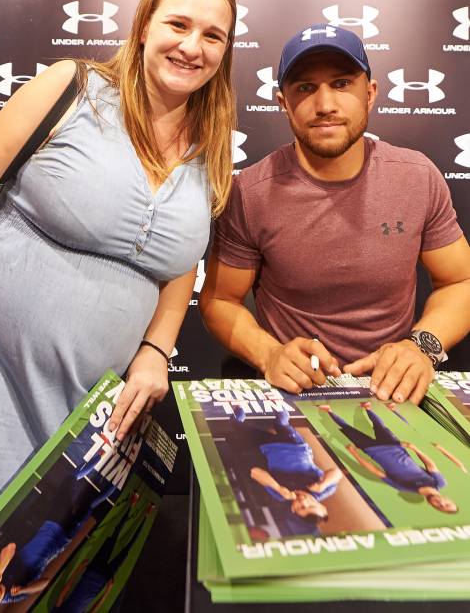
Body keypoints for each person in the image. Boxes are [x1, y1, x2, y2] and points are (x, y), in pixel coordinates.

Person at [0, 0, 237, 555]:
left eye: (213, 36)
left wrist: (156, 351)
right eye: (177, 24)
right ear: (143, 26)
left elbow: (179, 264)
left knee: (17, 573)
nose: (191, 46)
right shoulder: (70, 88)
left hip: (80, 410)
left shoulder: (211, 147)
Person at [199, 23, 470, 406]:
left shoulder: (417, 177)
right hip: (294, 395)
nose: (325, 104)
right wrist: (270, 353)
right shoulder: (250, 192)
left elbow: (461, 282)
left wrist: (420, 347)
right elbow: (219, 301)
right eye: (305, 88)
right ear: (283, 102)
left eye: (342, 84)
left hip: (396, 394)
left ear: (370, 93)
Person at [318, 401, 465, 512]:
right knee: (379, 426)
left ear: (432, 506)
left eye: (440, 507)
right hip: (396, 446)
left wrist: (354, 454)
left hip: (372, 451)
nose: (441, 503)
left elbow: (376, 472)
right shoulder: (439, 483)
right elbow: (431, 465)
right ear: (448, 498)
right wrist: (414, 448)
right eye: (447, 503)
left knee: (348, 430)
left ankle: (329, 411)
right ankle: (367, 408)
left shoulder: (405, 488)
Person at [229, 406, 342, 534]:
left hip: (268, 447)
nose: (303, 501)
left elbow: (254, 472)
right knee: (281, 422)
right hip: (295, 445)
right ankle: (279, 410)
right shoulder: (323, 491)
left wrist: (278, 488)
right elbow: (337, 473)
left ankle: (237, 420)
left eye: (301, 508)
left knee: (236, 425)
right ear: (322, 506)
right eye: (311, 505)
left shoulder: (281, 495)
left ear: (293, 510)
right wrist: (322, 484)